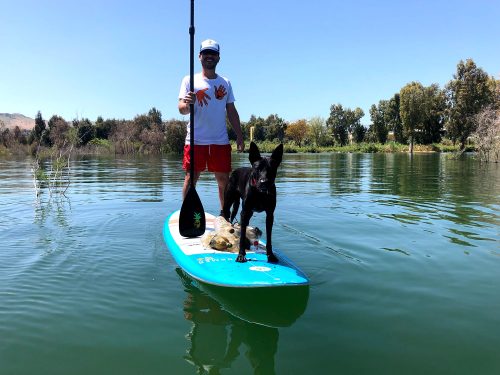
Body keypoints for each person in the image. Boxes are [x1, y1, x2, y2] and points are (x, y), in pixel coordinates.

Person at [178, 39, 244, 212]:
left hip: (220, 141)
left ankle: (224, 216)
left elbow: (231, 111)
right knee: (190, 179)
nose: (209, 56)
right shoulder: (189, 80)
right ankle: (187, 213)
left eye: (213, 53)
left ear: (218, 58)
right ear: (200, 56)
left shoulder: (225, 82)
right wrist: (188, 104)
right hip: (195, 140)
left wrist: (239, 135)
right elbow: (181, 109)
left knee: (224, 181)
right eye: (206, 53)